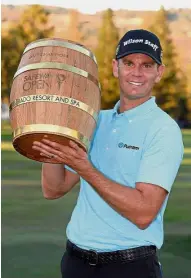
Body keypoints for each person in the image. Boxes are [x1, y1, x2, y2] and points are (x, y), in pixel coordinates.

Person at [32, 29, 184, 278]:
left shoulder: (163, 129)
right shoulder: (94, 120)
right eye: (128, 63)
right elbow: (54, 189)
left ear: (159, 72)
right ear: (115, 67)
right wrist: (51, 141)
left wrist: (85, 168)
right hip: (75, 263)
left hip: (129, 267)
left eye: (147, 65)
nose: (136, 72)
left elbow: (144, 213)